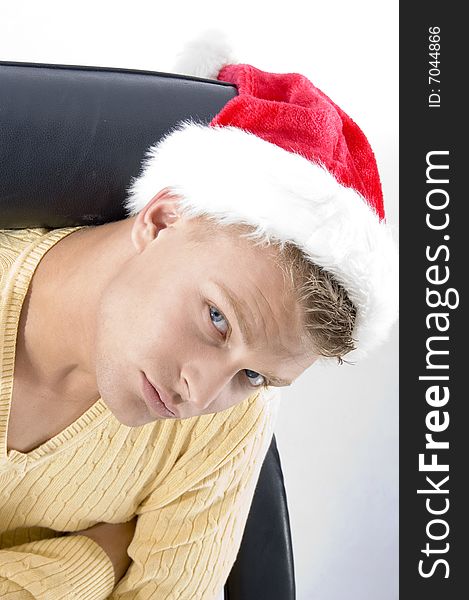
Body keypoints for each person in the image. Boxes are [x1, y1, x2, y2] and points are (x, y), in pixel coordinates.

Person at [0, 34, 398, 599]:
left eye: (253, 376)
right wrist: (92, 561)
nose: (201, 395)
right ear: (161, 219)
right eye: (217, 320)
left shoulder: (228, 422)